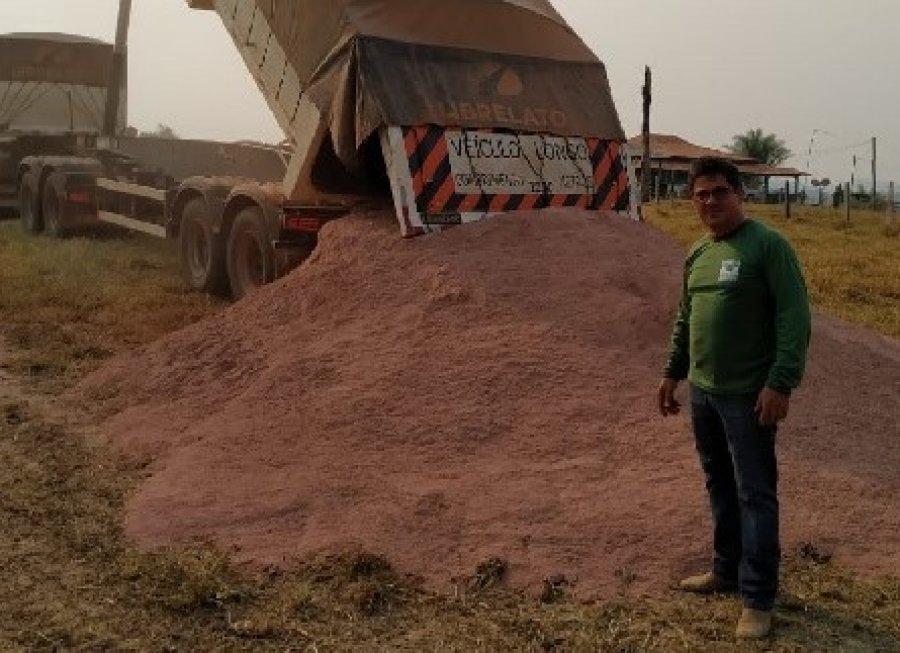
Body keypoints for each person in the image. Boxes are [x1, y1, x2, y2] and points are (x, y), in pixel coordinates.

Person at [657, 157, 811, 640]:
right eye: (701, 195)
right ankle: (725, 570)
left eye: (719, 192)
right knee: (719, 484)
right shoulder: (698, 252)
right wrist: (672, 373)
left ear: (739, 193)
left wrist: (780, 382)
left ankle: (758, 599)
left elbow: (794, 317)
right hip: (704, 393)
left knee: (755, 494)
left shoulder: (768, 247)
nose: (710, 202)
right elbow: (686, 319)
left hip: (749, 396)